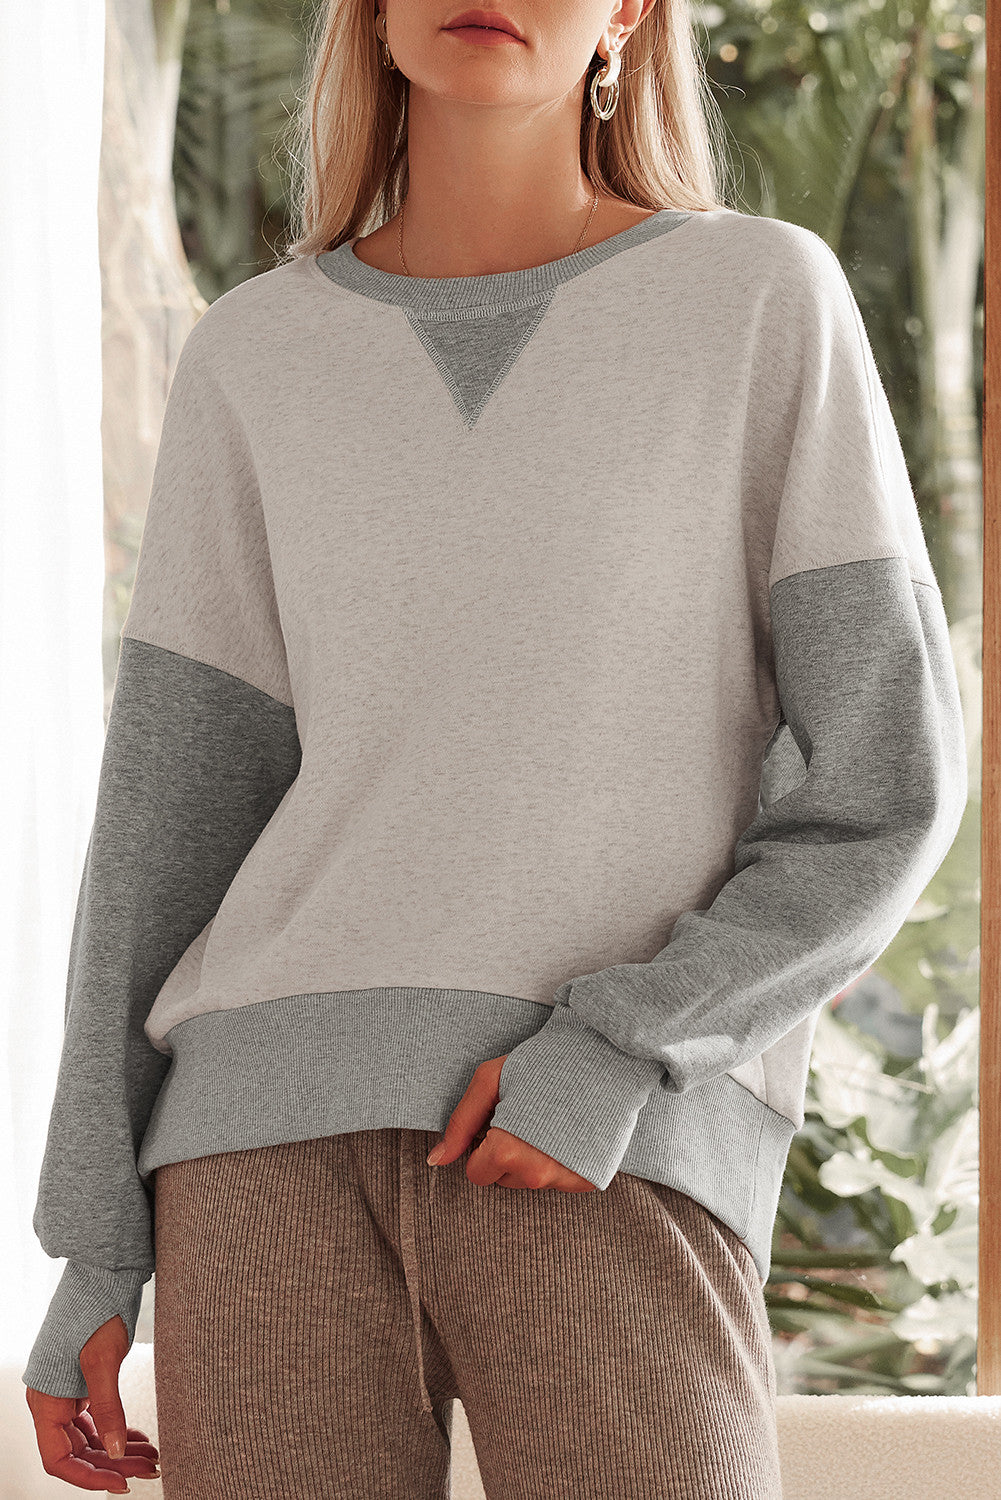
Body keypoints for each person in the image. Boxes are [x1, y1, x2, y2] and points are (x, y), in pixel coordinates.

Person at [23, 1, 968, 1496]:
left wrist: (621, 1049)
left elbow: (883, 784)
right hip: (256, 1154)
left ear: (630, 11)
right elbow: (168, 820)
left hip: (606, 1138)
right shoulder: (255, 354)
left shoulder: (755, 303)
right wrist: (95, 1240)